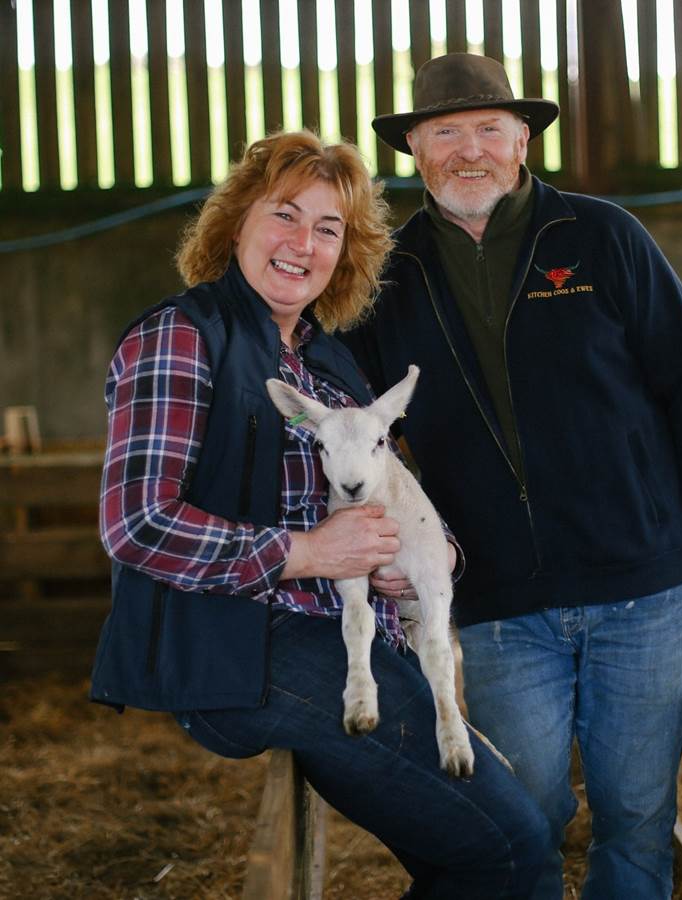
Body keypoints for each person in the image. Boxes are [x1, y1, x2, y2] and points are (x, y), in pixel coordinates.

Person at [89, 129, 550, 900]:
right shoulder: (181, 337)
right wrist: (306, 553)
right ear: (236, 221)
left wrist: (425, 564)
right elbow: (135, 523)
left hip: (337, 633)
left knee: (492, 847)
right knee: (514, 852)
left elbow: (389, 489)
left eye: (329, 228)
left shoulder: (326, 361)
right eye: (285, 215)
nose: (304, 244)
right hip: (241, 647)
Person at [343, 53, 682, 899]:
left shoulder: (601, 237)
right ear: (414, 148)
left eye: (489, 129)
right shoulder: (388, 275)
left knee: (636, 818)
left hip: (642, 590)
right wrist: (377, 547)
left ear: (523, 138)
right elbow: (344, 426)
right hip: (499, 606)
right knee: (525, 817)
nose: (470, 150)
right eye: (445, 131)